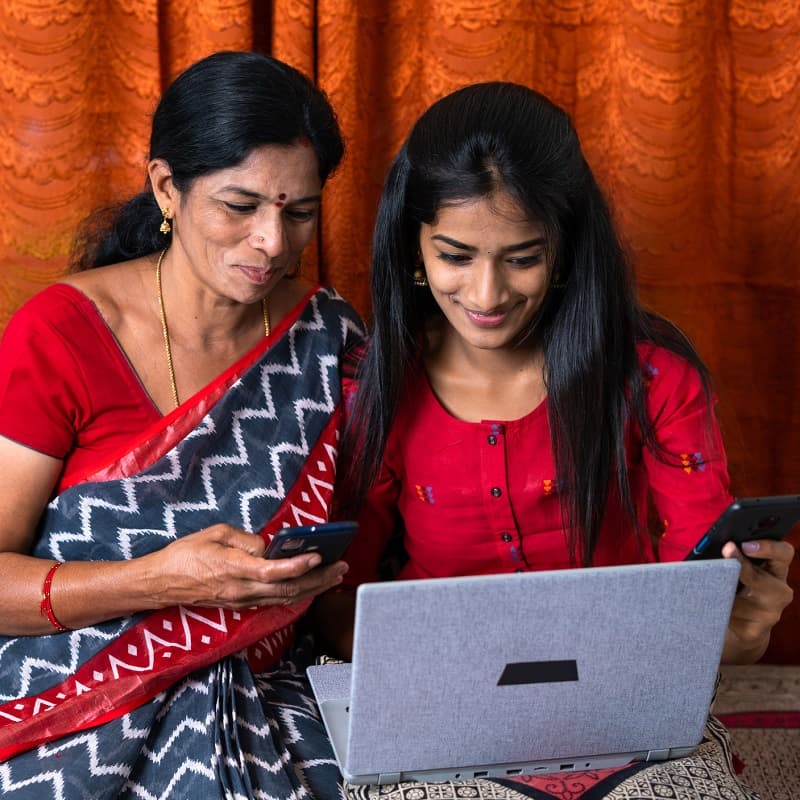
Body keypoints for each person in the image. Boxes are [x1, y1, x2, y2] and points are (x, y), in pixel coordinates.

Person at [330, 82, 795, 800]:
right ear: (413, 248)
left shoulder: (651, 382)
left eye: (522, 258)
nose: (486, 295)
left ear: (568, 249)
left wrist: (742, 628)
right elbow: (345, 600)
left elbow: (708, 620)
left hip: (629, 712)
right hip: (436, 715)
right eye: (456, 256)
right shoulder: (378, 387)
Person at [0, 51, 363, 798]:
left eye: (299, 212)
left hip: (268, 692)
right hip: (74, 694)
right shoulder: (64, 334)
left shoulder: (329, 338)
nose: (272, 241)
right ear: (168, 187)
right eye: (240, 206)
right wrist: (161, 580)